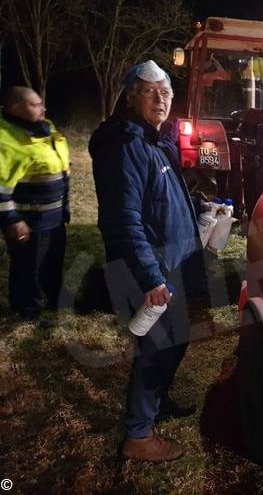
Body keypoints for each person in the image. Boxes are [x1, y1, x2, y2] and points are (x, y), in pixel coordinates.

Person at [89, 60, 201, 461]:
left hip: (172, 264)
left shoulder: (153, 140)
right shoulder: (124, 146)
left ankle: (156, 405)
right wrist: (151, 277)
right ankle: (138, 435)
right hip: (148, 271)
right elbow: (123, 222)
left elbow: (161, 199)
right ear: (131, 96)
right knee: (155, 350)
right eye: (150, 92)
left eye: (166, 92)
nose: (161, 100)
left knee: (176, 342)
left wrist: (199, 212)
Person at [0, 86, 70, 322]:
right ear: (16, 109)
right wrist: (12, 221)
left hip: (54, 217)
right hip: (29, 222)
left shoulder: (44, 128)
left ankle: (53, 300)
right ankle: (27, 311)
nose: (44, 108)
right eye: (35, 104)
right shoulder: (6, 141)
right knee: (27, 269)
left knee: (52, 263)